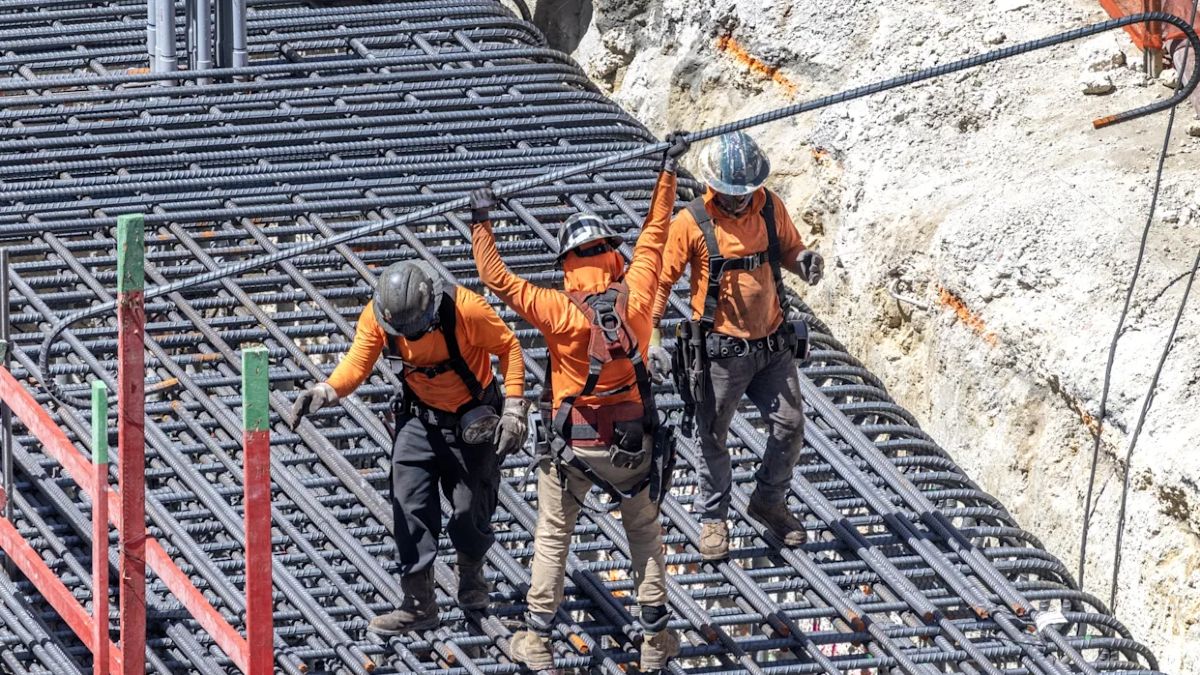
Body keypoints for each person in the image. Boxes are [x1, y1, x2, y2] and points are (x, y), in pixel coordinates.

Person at [469, 135, 689, 673]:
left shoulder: (555, 310)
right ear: (612, 255)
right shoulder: (637, 292)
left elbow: (494, 279)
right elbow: (656, 235)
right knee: (644, 534)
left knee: (553, 536)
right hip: (632, 444)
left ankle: (538, 640)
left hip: (574, 447)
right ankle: (656, 642)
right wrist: (667, 174)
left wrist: (482, 221)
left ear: (567, 262)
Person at [291, 261, 529, 634]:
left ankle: (472, 582)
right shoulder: (380, 316)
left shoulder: (467, 309)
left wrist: (514, 408)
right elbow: (358, 360)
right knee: (409, 505)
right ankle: (419, 604)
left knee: (471, 508)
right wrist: (326, 390)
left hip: (472, 419)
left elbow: (510, 348)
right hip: (419, 419)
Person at [647, 131, 824, 561]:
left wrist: (803, 262)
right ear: (715, 187)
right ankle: (713, 518)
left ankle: (768, 501)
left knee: (790, 426)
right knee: (713, 436)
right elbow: (658, 282)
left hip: (773, 346)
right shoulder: (691, 222)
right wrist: (651, 339)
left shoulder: (769, 207)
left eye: (747, 192)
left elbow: (789, 249)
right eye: (732, 193)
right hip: (720, 353)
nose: (741, 200)